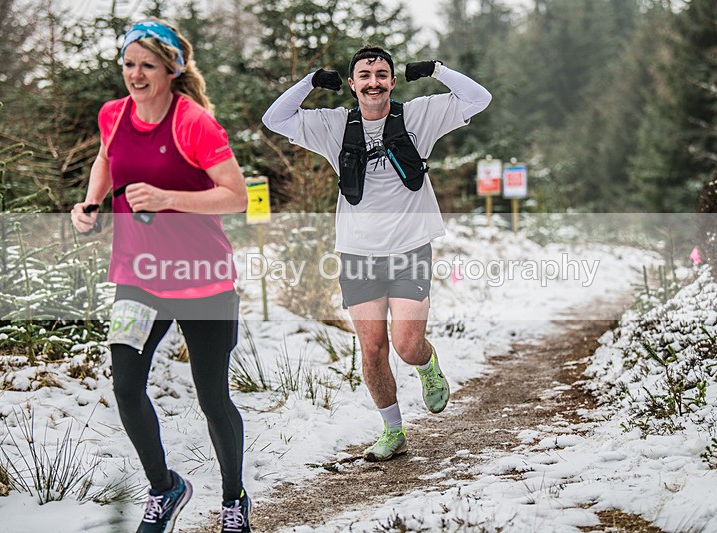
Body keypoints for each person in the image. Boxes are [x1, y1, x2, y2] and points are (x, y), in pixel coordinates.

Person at [262, 46, 491, 461]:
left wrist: (437, 70)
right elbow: (274, 119)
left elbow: (479, 98)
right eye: (365, 76)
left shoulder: (418, 116)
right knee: (372, 349)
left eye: (382, 74)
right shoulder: (335, 125)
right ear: (352, 84)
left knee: (406, 345)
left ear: (392, 81)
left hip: (410, 249)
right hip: (357, 255)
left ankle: (427, 364)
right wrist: (310, 82)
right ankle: (393, 430)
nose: (374, 82)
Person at [70, 19, 251, 533]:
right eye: (129, 64)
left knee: (212, 398)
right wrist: (92, 202)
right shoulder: (113, 115)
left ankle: (233, 500)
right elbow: (106, 159)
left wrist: (168, 198)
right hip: (138, 278)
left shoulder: (194, 122)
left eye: (147, 65)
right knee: (126, 387)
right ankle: (164, 487)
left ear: (172, 69)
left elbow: (236, 197)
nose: (136, 74)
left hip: (203, 279)